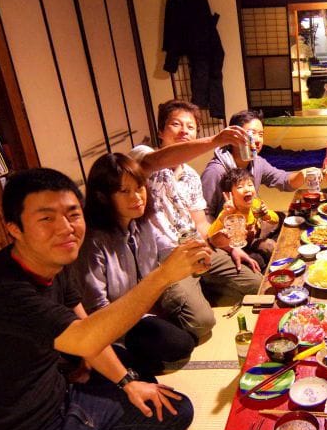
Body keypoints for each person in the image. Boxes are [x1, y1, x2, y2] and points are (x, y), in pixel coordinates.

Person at [0, 168, 211, 430]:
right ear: (14, 228)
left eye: (72, 214)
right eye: (46, 219)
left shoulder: (56, 262)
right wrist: (163, 276)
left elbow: (86, 327)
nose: (66, 229)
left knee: (177, 410)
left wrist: (127, 383)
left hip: (66, 397)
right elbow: (85, 340)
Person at [72, 153, 215, 375]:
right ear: (103, 197)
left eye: (139, 187)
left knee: (186, 340)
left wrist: (194, 257)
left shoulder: (142, 222)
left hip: (144, 309)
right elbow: (96, 310)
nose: (137, 197)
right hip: (115, 324)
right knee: (178, 347)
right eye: (124, 191)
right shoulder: (93, 242)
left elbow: (168, 249)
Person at [131, 100, 263, 301]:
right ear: (160, 132)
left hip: (198, 248)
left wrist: (231, 247)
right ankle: (197, 291)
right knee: (201, 321)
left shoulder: (191, 176)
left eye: (190, 127)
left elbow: (201, 224)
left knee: (258, 284)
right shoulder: (143, 157)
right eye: (176, 124)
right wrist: (215, 141)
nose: (184, 131)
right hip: (166, 260)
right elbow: (159, 160)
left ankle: (206, 286)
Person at [200, 109, 312, 222]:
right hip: (229, 232)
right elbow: (203, 215)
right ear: (233, 136)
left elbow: (283, 180)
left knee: (287, 219)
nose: (258, 140)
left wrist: (302, 175)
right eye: (251, 133)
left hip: (251, 223)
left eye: (261, 134)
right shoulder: (215, 172)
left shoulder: (257, 162)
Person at [208, 168, 280, 270]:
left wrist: (266, 214)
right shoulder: (229, 212)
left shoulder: (255, 204)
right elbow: (211, 236)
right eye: (240, 187)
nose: (247, 189)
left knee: (280, 217)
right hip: (237, 248)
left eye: (250, 185)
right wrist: (225, 214)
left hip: (252, 239)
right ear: (230, 194)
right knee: (260, 256)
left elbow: (275, 220)